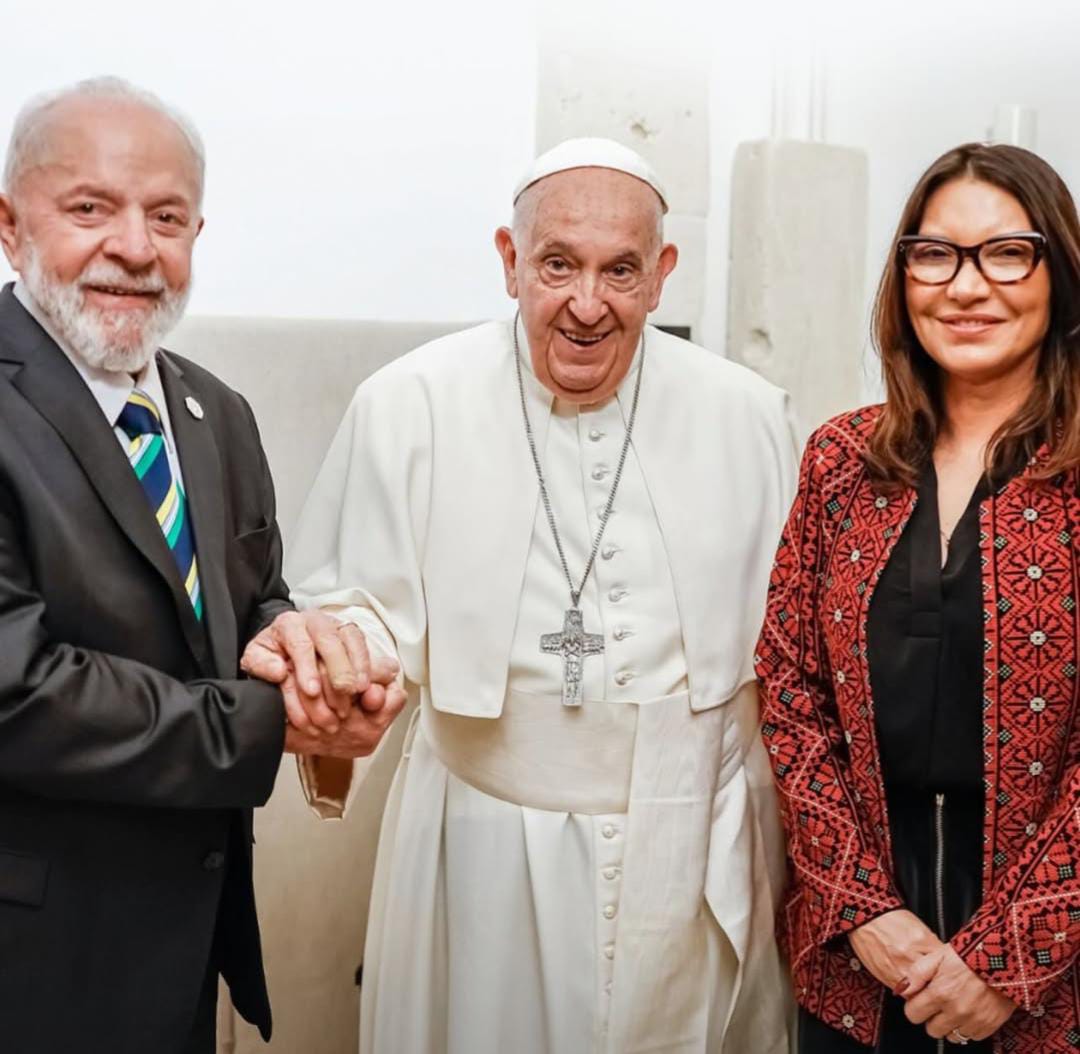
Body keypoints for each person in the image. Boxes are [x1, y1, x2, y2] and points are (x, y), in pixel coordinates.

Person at [272, 137, 796, 1053]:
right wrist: (350, 654)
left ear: (662, 274)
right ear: (511, 262)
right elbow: (351, 602)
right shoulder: (411, 403)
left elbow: (795, 650)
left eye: (620, 271)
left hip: (692, 843)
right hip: (483, 844)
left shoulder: (749, 415)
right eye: (558, 264)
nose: (587, 304)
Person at [0, 77, 403, 1054]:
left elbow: (248, 600)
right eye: (91, 208)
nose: (136, 247)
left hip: (185, 943)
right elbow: (19, 689)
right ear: (10, 226)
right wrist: (275, 716)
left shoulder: (215, 413)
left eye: (167, 215)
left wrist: (306, 651)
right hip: (33, 961)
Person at [756, 142, 1080, 1053]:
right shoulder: (840, 462)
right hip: (858, 962)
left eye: (1007, 252)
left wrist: (1010, 958)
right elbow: (788, 688)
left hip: (1053, 976)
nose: (967, 286)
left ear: (1059, 272)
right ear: (903, 279)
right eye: (935, 255)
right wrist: (859, 907)